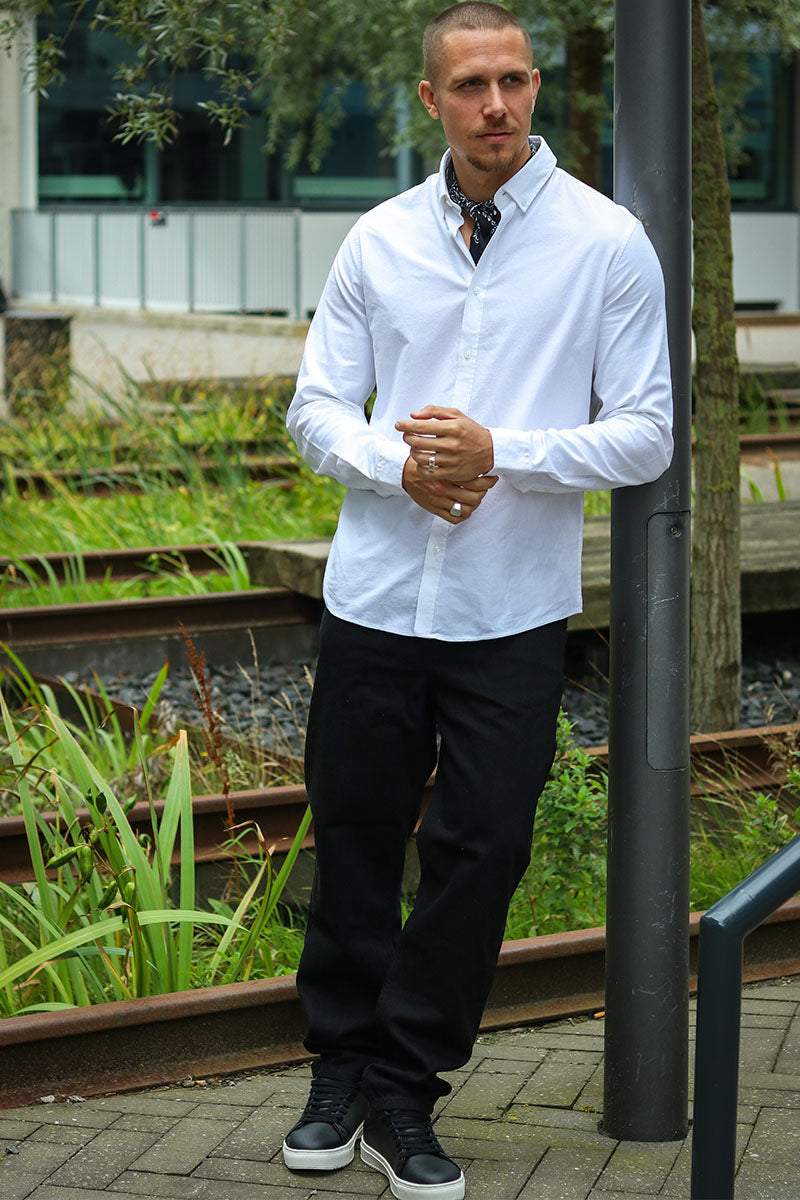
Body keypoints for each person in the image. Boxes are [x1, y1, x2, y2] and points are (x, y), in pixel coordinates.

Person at [282, 4, 673, 1197]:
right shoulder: (377, 240)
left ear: (536, 85)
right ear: (429, 99)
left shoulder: (605, 243)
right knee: (354, 838)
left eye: (510, 80)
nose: (492, 104)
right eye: (467, 85)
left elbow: (644, 434)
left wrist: (503, 453)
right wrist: (392, 466)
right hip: (373, 600)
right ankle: (339, 1073)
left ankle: (405, 1086)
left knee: (483, 849)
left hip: (509, 611)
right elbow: (314, 409)